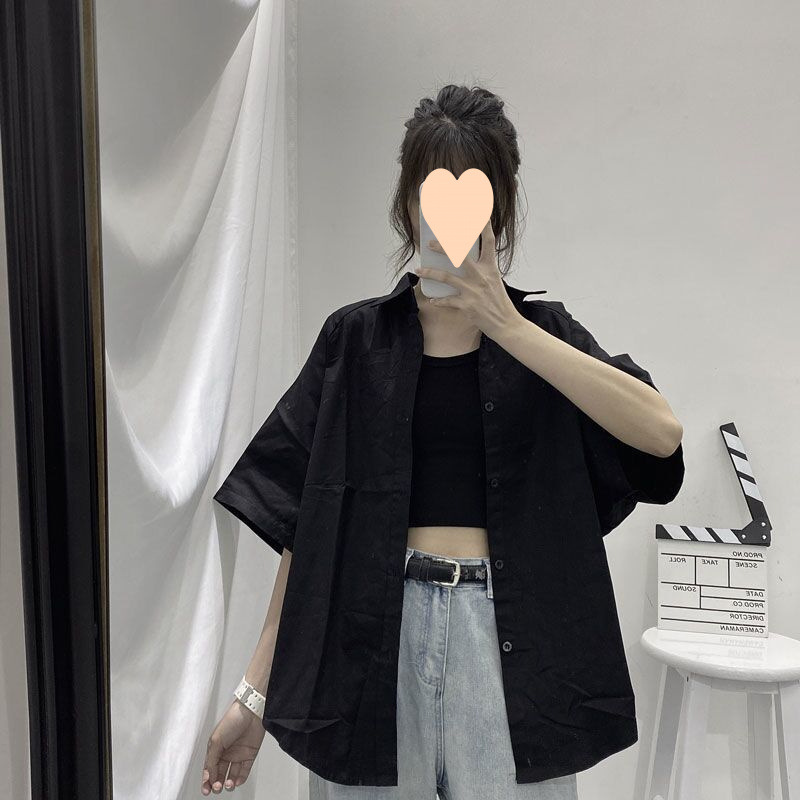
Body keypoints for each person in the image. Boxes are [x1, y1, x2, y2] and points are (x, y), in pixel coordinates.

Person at [202, 85, 685, 799]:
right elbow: (307, 528)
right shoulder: (355, 342)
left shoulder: (544, 338)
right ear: (408, 205)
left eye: (471, 197)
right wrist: (253, 692)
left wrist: (506, 324)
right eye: (432, 196)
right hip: (371, 644)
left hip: (511, 650)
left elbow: (661, 437)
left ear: (500, 211)